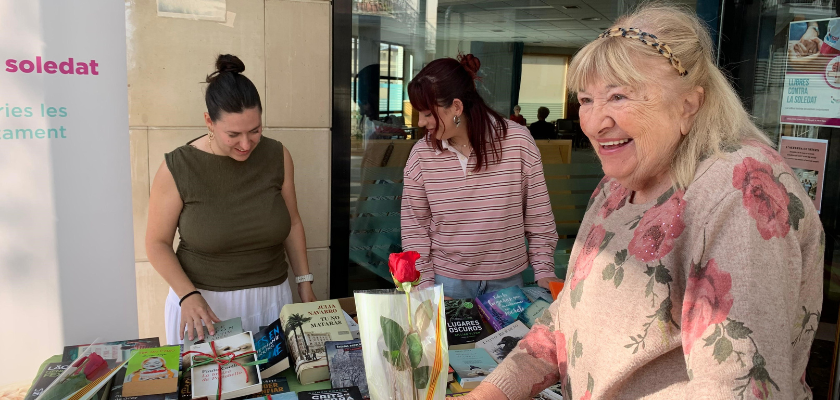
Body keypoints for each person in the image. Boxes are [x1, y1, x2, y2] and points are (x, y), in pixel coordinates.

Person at [464, 5, 822, 399]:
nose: (594, 123)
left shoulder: (739, 189)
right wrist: (491, 392)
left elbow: (735, 390)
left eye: (618, 96)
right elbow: (569, 316)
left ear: (688, 104)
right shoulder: (617, 186)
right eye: (586, 99)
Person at [146, 54, 317, 345]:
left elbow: (292, 223)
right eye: (233, 134)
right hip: (204, 308)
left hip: (272, 300)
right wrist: (187, 295)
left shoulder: (278, 155)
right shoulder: (179, 166)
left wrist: (304, 283)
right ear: (209, 122)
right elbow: (156, 243)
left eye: (255, 131)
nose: (246, 144)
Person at [401, 54, 560, 299]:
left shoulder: (518, 141)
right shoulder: (421, 154)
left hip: (508, 282)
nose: (422, 122)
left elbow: (538, 214)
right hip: (446, 283)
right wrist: (424, 287)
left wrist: (545, 268)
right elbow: (415, 228)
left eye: (428, 114)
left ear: (456, 107)